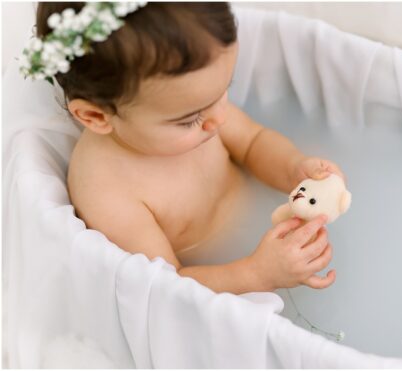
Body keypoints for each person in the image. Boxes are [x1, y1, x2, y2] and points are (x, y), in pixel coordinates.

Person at [23, 2, 341, 294]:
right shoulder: (106, 188)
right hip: (224, 276)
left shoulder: (198, 107)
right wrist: (256, 274)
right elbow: (165, 285)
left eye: (224, 90)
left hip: (265, 217)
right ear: (96, 116)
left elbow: (253, 144)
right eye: (190, 119)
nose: (218, 118)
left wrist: (294, 169)